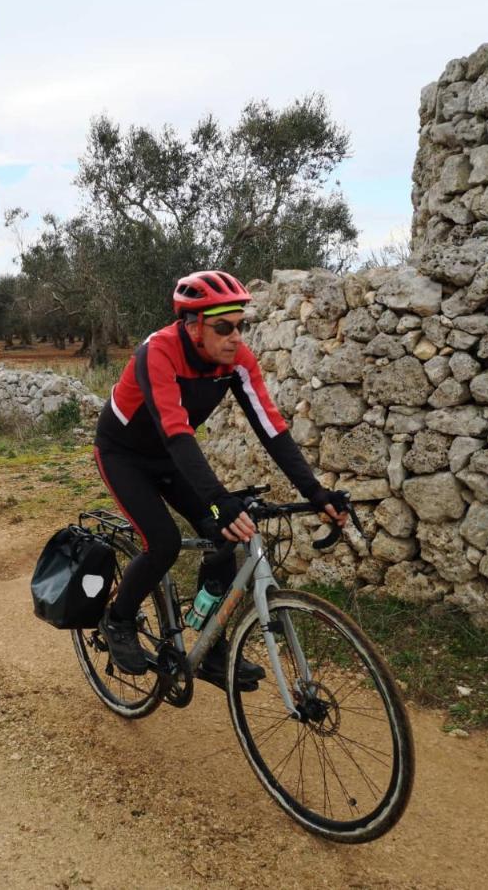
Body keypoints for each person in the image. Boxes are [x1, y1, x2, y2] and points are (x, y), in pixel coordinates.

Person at [93, 269, 348, 689]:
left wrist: (316, 492)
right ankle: (117, 620)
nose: (236, 337)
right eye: (223, 327)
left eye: (241, 326)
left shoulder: (236, 360)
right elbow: (176, 430)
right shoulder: (157, 353)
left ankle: (212, 649)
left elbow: (272, 428)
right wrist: (218, 499)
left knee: (225, 536)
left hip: (169, 454)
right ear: (193, 327)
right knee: (164, 543)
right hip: (124, 455)